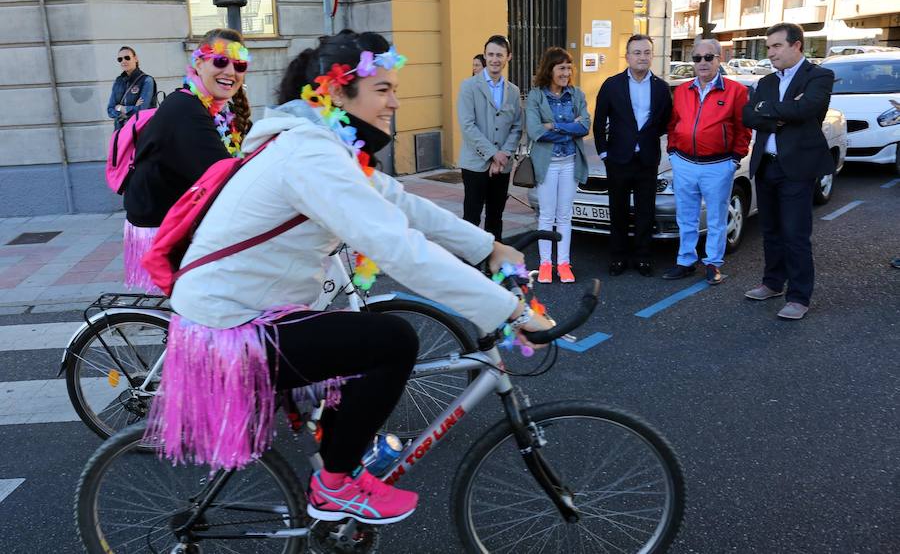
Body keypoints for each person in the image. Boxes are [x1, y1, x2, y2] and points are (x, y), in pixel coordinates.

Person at [144, 29, 553, 525]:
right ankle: (335, 485)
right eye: (382, 90)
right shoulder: (311, 156)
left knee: (357, 346)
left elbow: (401, 202)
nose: (395, 103)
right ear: (338, 92)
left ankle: (340, 463)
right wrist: (509, 310)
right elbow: (398, 247)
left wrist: (488, 246)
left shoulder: (321, 145)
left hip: (245, 311)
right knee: (392, 341)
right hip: (231, 327)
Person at [121, 28, 252, 292]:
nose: (230, 71)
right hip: (161, 228)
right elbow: (223, 176)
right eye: (220, 61)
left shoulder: (211, 108)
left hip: (180, 218)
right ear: (199, 63)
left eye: (238, 64)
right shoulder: (185, 109)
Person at [742, 23, 835, 320]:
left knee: (795, 233)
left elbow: (807, 109)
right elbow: (748, 116)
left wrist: (767, 110)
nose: (771, 53)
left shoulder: (819, 76)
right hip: (766, 164)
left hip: (796, 167)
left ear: (797, 46)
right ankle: (772, 283)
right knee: (770, 231)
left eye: (777, 46)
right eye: (768, 47)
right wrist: (779, 114)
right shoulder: (767, 81)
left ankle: (798, 296)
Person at [664, 38, 751, 284]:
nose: (702, 63)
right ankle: (686, 261)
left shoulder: (736, 91)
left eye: (708, 57)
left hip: (718, 165)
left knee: (716, 217)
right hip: (684, 163)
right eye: (697, 58)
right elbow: (673, 124)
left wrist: (735, 159)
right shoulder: (682, 90)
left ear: (718, 59)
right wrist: (673, 151)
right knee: (686, 216)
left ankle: (713, 263)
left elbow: (743, 129)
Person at [593, 34, 672, 277]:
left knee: (645, 211)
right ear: (627, 57)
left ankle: (643, 257)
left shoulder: (661, 87)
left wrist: (646, 141)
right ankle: (618, 257)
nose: (642, 57)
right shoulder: (612, 84)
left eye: (647, 52)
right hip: (618, 159)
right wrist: (605, 152)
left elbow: (664, 122)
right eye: (637, 52)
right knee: (617, 210)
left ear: (652, 55)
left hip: (647, 160)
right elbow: (599, 122)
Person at [525, 47, 590, 283]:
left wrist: (553, 126)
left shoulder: (576, 94)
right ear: (549, 69)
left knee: (564, 215)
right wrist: (569, 129)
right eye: (561, 67)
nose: (566, 72)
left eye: (568, 67)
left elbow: (585, 127)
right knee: (546, 215)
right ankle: (545, 264)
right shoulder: (536, 96)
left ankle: (563, 263)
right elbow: (535, 131)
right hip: (548, 164)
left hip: (570, 163)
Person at [457, 35, 523, 240]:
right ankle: (472, 265)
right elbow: (467, 126)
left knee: (496, 217)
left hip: (503, 165)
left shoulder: (513, 91)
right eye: (491, 54)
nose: (495, 59)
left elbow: (517, 126)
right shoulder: (468, 87)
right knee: (472, 217)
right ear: (485, 56)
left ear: (508, 57)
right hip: (476, 164)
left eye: (500, 55)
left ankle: (495, 264)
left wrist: (504, 154)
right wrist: (493, 154)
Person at [107, 46, 156, 130]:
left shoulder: (147, 80)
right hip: (121, 131)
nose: (123, 61)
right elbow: (110, 109)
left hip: (140, 131)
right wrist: (131, 108)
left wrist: (120, 108)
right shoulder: (118, 81)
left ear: (135, 58)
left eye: (127, 57)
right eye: (120, 59)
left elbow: (141, 110)